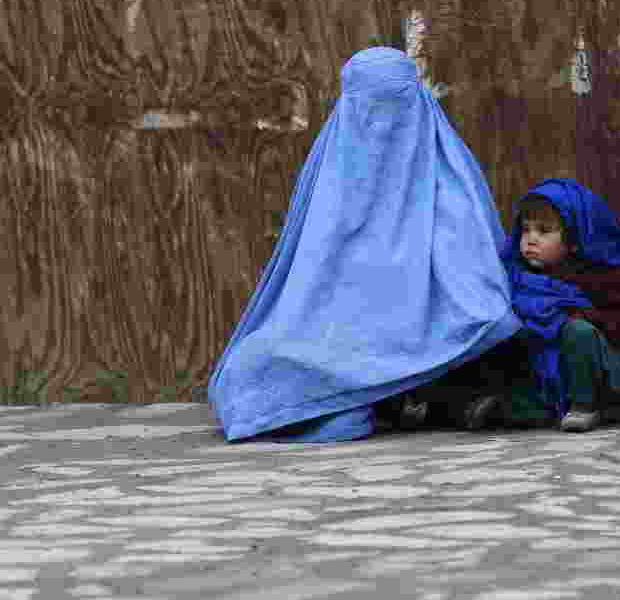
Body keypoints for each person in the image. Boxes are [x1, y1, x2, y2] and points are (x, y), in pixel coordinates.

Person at [206, 47, 523, 442]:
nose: (382, 125)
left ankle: (402, 391)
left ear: (416, 101)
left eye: (395, 106)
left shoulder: (448, 174)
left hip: (428, 333)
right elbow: (306, 285)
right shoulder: (332, 175)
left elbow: (478, 290)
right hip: (335, 336)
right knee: (247, 372)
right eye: (369, 107)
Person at [466, 179, 620, 433]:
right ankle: (516, 407)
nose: (531, 239)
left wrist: (581, 316)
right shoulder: (516, 277)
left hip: (603, 372)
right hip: (550, 374)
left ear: (573, 240)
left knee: (576, 331)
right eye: (526, 230)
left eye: (543, 231)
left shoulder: (598, 276)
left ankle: (585, 407)